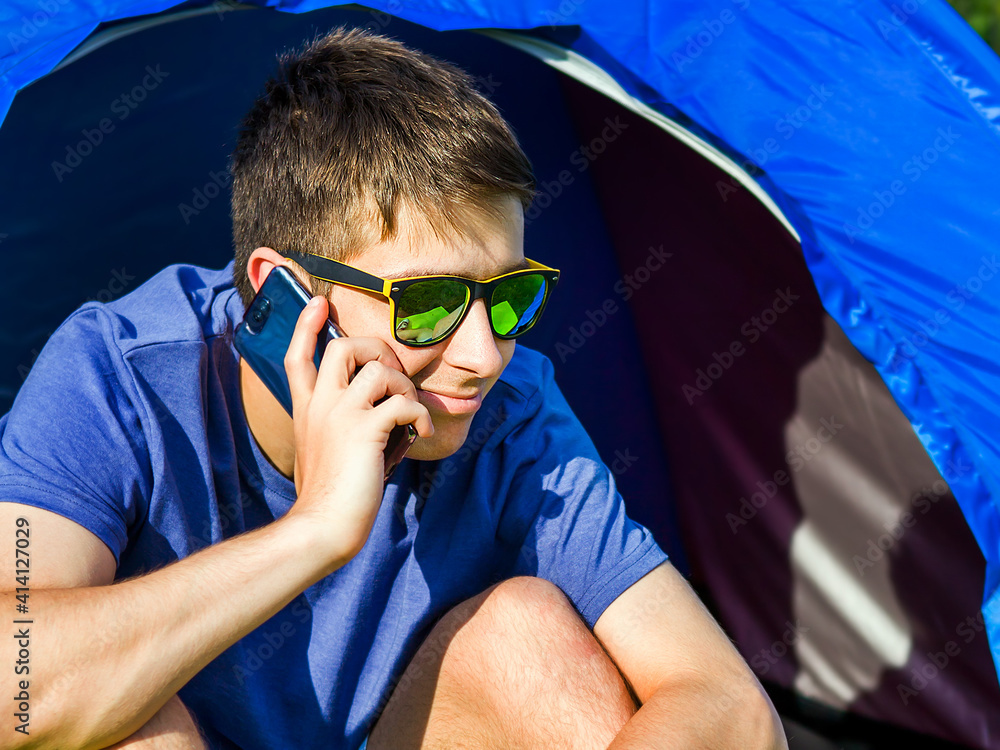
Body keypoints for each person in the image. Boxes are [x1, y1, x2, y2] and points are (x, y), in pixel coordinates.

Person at [0, 26, 786, 750]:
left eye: (509, 297)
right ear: (285, 291)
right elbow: (16, 687)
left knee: (525, 639)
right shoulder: (119, 375)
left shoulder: (514, 418)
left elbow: (730, 706)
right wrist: (311, 533)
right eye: (428, 304)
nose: (483, 355)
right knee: (123, 720)